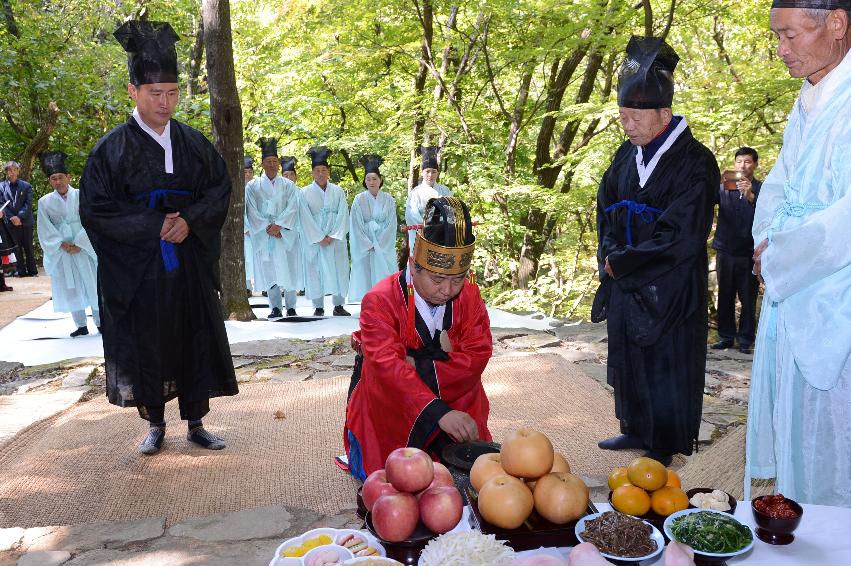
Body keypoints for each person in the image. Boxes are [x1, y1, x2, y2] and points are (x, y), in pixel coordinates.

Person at [80, 20, 238, 455]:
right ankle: (155, 423)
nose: (165, 103)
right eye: (155, 94)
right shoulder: (110, 151)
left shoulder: (192, 143)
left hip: (186, 263)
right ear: (133, 91)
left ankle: (197, 421)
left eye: (172, 93)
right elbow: (95, 209)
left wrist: (189, 219)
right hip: (141, 270)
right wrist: (153, 226)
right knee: (148, 342)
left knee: (194, 335)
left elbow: (218, 188)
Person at [592, 36, 719, 467]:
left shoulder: (696, 161)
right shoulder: (626, 157)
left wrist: (624, 261)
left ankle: (665, 439)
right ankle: (635, 427)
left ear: (664, 114)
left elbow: (683, 233)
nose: (626, 125)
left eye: (633, 117)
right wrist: (609, 252)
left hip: (670, 283)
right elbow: (605, 206)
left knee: (667, 358)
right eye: (622, 117)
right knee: (628, 353)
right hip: (627, 276)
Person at [746, 2, 851, 507]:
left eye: (789, 35)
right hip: (794, 282)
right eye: (777, 37)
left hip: (835, 293)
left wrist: (784, 255)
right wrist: (766, 238)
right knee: (795, 424)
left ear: (836, 23)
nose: (781, 51)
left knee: (832, 430)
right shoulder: (809, 99)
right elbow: (781, 185)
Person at [344, 196, 492, 480]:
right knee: (399, 481)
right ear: (414, 266)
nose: (448, 290)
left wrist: (417, 363)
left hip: (456, 391)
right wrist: (438, 411)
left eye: (458, 279)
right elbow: (389, 366)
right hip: (392, 399)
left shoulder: (470, 295)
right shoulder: (379, 300)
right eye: (438, 280)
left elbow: (477, 354)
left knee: (475, 471)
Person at [36, 151, 101, 337]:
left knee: (92, 283)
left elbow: (91, 219)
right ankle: (80, 324)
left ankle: (100, 321)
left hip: (85, 246)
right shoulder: (44, 202)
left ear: (68, 177)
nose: (58, 181)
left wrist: (81, 242)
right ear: (50, 181)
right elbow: (44, 227)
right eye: (53, 178)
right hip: (63, 249)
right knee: (70, 285)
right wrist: (61, 244)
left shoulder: (83, 195)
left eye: (60, 177)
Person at [711, 147, 761, 354]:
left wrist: (750, 195)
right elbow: (705, 199)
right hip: (726, 249)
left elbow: (768, 214)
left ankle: (746, 339)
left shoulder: (762, 188)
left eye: (748, 162)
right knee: (725, 295)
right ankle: (726, 336)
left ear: (755, 164)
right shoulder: (724, 185)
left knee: (748, 297)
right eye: (739, 161)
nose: (743, 165)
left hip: (749, 252)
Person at [245, 138, 302, 318]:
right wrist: (268, 227)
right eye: (268, 161)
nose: (271, 165)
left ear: (278, 163)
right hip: (266, 234)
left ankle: (291, 306)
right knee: (269, 268)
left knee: (290, 267)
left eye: (274, 161)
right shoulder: (252, 186)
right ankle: (275, 306)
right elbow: (251, 210)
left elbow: (293, 207)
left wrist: (280, 226)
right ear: (262, 164)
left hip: (284, 234)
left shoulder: (288, 185)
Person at [299, 146, 350, 316]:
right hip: (316, 240)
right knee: (316, 270)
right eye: (317, 170)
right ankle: (318, 306)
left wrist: (334, 235)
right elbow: (304, 217)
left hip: (334, 238)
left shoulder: (338, 191)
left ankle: (339, 304)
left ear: (328, 172)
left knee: (338, 268)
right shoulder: (304, 193)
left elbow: (343, 214)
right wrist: (319, 237)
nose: (320, 173)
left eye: (323, 170)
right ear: (312, 172)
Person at [348, 155, 398, 302]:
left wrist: (380, 244)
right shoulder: (359, 199)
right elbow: (356, 224)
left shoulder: (388, 199)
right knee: (366, 273)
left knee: (385, 274)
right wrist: (368, 244)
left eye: (374, 178)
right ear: (364, 180)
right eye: (368, 178)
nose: (371, 182)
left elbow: (391, 224)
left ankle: (385, 304)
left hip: (383, 244)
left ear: (380, 180)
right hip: (366, 245)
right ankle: (368, 304)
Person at [404, 146, 451, 251]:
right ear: (422, 172)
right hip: (422, 236)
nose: (430, 175)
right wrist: (429, 228)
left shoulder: (445, 191)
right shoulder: (415, 192)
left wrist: (443, 226)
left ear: (437, 173)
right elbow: (411, 216)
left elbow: (451, 211)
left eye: (434, 171)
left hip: (443, 235)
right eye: (427, 171)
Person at [0, 161, 37, 277]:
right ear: (6, 172)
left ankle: (33, 271)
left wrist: (19, 216)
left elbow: (28, 203)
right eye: (10, 170)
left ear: (18, 171)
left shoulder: (26, 186)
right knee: (16, 248)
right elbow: (1, 203)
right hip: (10, 223)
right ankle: (20, 271)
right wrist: (11, 217)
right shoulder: (1, 186)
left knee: (28, 247)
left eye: (15, 169)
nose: (12, 172)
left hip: (25, 221)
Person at [244, 156, 255, 295]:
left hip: (258, 229)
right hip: (244, 231)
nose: (248, 175)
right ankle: (247, 287)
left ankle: (264, 287)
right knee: (245, 259)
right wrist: (245, 228)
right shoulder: (236, 188)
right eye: (245, 172)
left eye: (250, 172)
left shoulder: (257, 188)